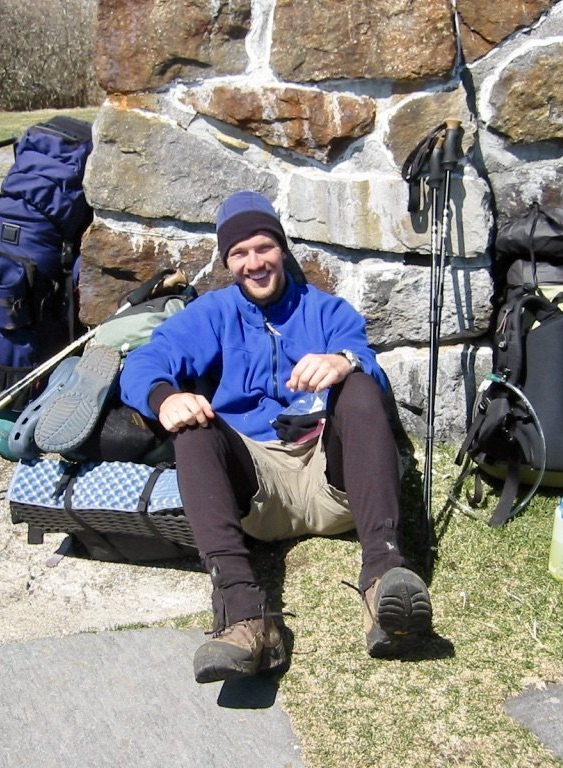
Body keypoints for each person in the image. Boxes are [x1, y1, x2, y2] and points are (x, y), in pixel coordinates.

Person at [119, 191, 433, 683]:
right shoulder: (212, 314)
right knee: (192, 427)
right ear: (227, 262)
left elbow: (364, 357)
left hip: (331, 483)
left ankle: (383, 575)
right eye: (239, 254)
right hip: (256, 492)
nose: (254, 262)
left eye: (263, 247)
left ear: (282, 249)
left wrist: (343, 362)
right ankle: (243, 616)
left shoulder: (326, 311)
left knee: (359, 387)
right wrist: (164, 399)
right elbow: (143, 362)